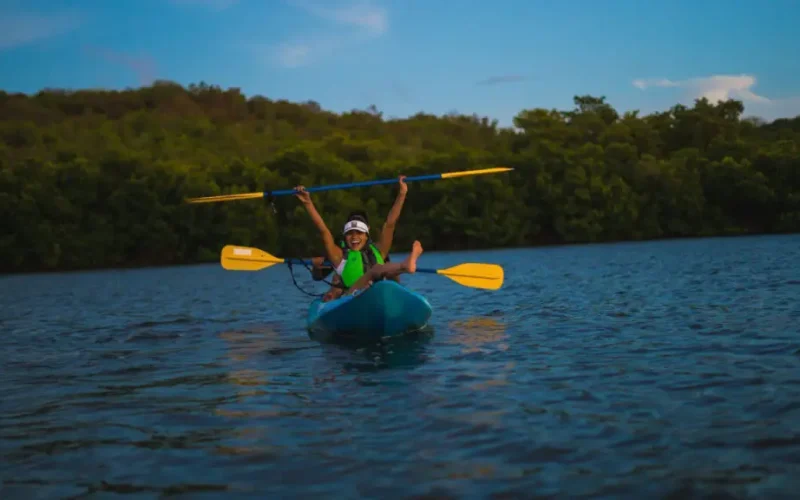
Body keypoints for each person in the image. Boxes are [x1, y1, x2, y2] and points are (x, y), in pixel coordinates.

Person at [294, 175, 408, 292]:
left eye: (359, 233)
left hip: (377, 295)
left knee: (387, 273)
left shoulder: (379, 251)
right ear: (345, 236)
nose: (354, 237)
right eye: (350, 233)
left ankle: (403, 270)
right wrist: (308, 203)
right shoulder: (338, 256)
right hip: (353, 298)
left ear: (366, 235)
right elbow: (323, 230)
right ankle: (405, 266)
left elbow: (390, 224)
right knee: (374, 272)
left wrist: (402, 193)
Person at [320, 241, 423, 302]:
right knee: (380, 271)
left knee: (383, 273)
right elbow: (333, 294)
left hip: (377, 291)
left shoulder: (373, 255)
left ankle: (404, 266)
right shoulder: (342, 263)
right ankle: (404, 266)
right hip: (350, 297)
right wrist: (330, 296)